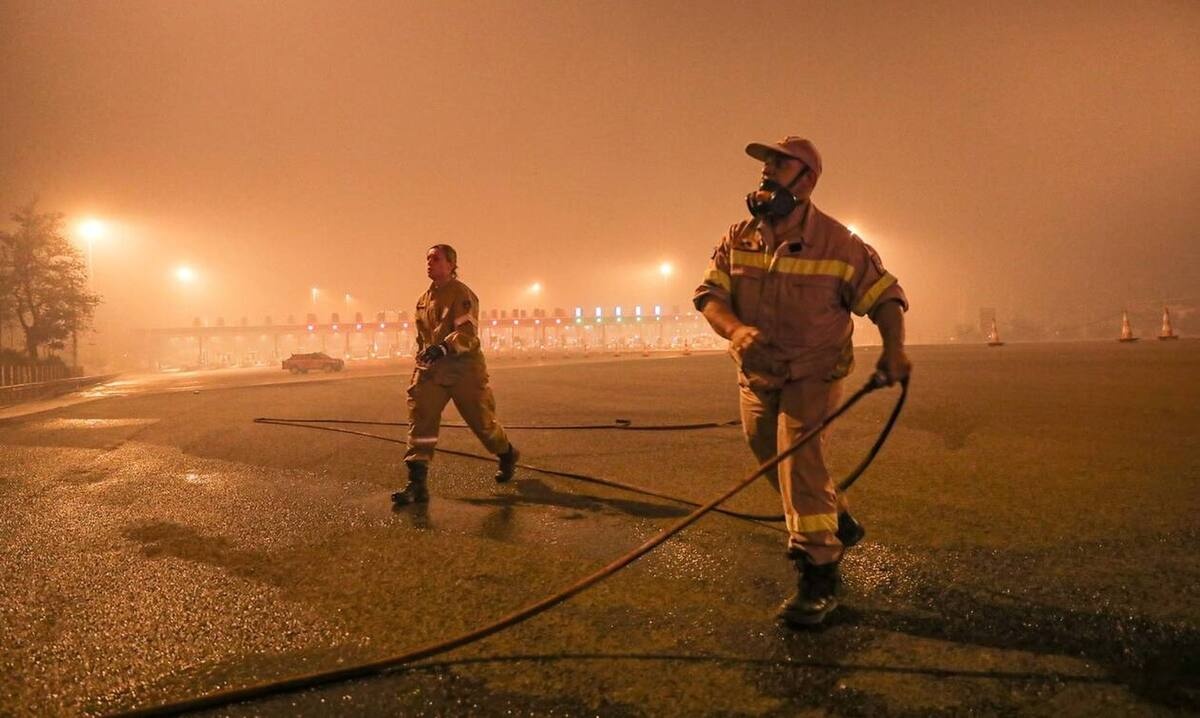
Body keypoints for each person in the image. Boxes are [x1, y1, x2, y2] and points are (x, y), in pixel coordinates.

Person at [694, 136, 911, 626]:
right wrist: (735, 329)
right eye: (764, 163)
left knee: (798, 459)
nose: (766, 171)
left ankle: (818, 572)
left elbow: (886, 296)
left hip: (814, 371)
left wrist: (895, 352)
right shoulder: (739, 236)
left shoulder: (839, 243)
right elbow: (710, 294)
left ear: (807, 180)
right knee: (765, 451)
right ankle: (838, 516)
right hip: (759, 374)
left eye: (778, 163)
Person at [392, 244, 519, 505]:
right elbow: (423, 338)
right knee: (420, 422)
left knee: (483, 424)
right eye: (427, 258)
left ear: (451, 264)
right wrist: (423, 359)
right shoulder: (423, 300)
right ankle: (417, 484)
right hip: (432, 371)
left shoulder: (462, 294)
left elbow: (467, 335)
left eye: (436, 258)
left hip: (463, 370)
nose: (429, 262)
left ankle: (506, 453)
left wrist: (443, 347)